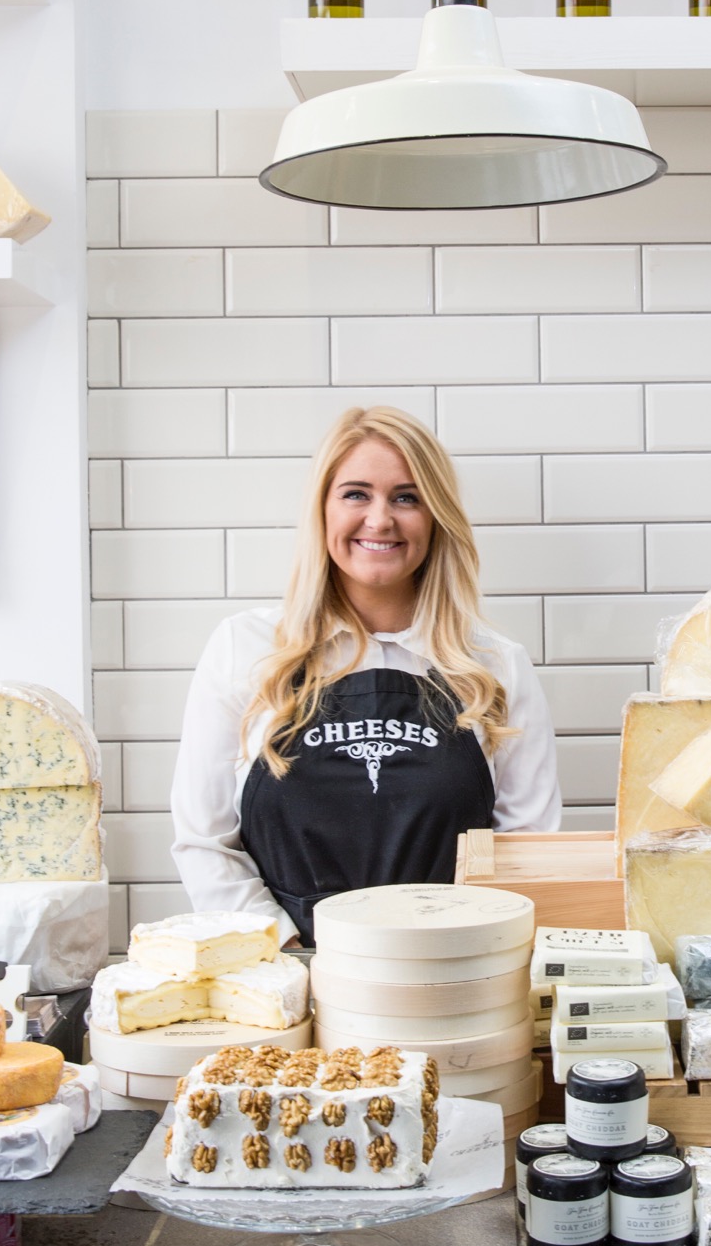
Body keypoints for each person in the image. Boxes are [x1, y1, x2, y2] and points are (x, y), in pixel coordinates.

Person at [170, 404, 561, 942]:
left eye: (407, 497)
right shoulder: (246, 649)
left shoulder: (495, 667)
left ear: (436, 516)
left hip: (450, 971)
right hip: (289, 974)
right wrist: (288, 957)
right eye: (356, 493)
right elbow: (205, 842)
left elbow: (526, 853)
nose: (380, 519)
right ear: (323, 510)